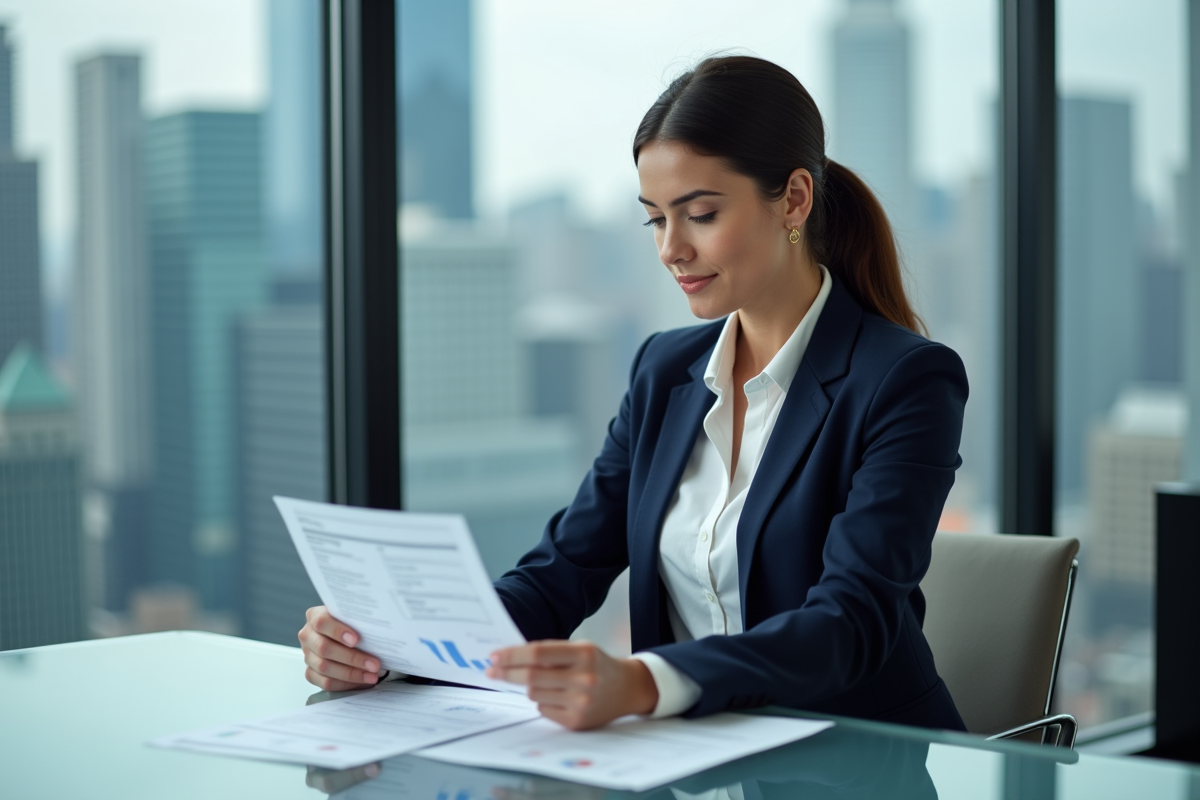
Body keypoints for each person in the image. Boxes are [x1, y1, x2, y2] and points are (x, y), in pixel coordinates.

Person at [299, 55, 968, 734]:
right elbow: (562, 571)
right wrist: (389, 648)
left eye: (700, 214)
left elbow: (849, 624)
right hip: (691, 761)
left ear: (794, 199)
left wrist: (647, 681)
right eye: (655, 220)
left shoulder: (906, 381)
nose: (671, 249)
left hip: (854, 761)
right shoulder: (664, 371)